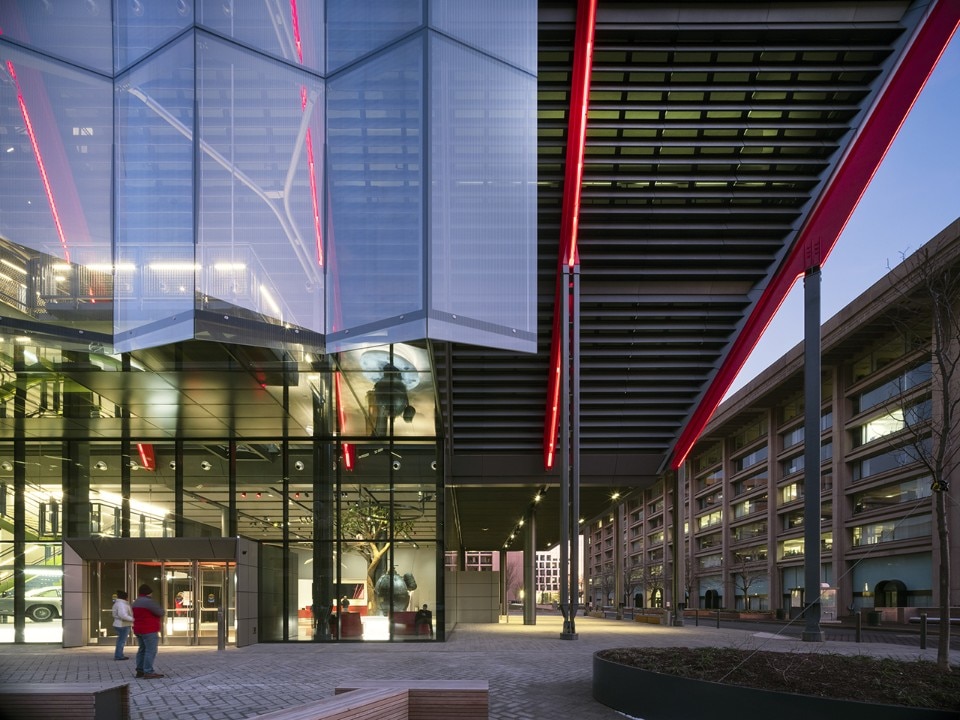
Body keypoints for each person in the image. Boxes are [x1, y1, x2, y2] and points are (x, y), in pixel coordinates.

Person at [132, 584, 165, 679]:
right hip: (149, 629)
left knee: (142, 650)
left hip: (138, 629)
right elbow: (160, 612)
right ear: (149, 593)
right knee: (150, 650)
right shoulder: (148, 602)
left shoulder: (136, 602)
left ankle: (140, 670)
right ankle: (148, 671)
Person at [111, 590, 133, 661]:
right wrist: (133, 619)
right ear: (125, 597)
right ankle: (119, 655)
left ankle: (119, 654)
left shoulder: (118, 603)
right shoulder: (122, 604)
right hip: (123, 624)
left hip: (119, 624)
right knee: (121, 641)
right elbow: (123, 615)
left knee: (120, 640)